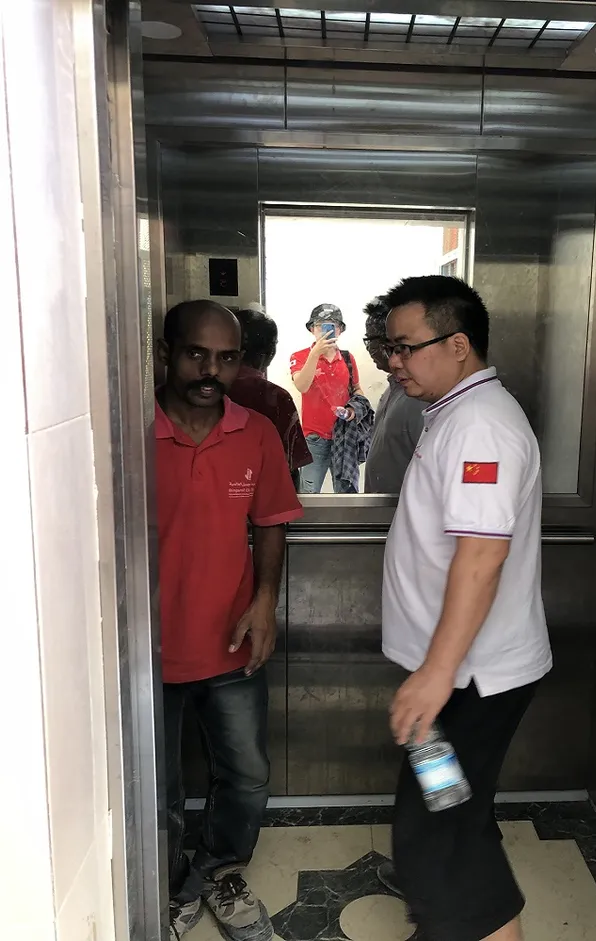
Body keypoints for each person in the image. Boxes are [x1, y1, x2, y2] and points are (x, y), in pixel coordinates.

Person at [380, 276, 553, 941]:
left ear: (456, 344)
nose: (393, 361)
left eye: (404, 347)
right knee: (454, 816)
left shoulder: (480, 425)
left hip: (472, 679)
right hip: (458, 672)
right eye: (388, 347)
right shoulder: (457, 412)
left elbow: (480, 558)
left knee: (435, 831)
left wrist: (434, 675)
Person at [155, 300, 303, 941]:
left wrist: (265, 602)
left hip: (232, 639)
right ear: (167, 352)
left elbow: (270, 522)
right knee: (154, 786)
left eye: (226, 357)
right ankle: (163, 884)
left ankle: (216, 873)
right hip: (145, 649)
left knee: (246, 774)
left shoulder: (257, 432)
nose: (211, 370)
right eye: (196, 353)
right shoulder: (124, 431)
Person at [229, 305, 312, 487]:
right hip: (263, 498)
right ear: (270, 353)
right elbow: (290, 466)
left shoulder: (211, 390)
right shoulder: (276, 398)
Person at [289, 303, 365, 493]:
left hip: (344, 436)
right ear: (312, 329)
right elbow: (301, 385)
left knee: (346, 493)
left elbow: (357, 390)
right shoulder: (300, 357)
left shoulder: (348, 359)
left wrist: (354, 410)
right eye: (321, 325)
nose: (326, 329)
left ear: (340, 330)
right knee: (308, 494)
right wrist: (315, 354)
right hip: (313, 438)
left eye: (332, 325)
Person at [362, 296, 426, 494]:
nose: (369, 348)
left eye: (370, 340)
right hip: (383, 518)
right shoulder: (393, 388)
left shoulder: (419, 399)